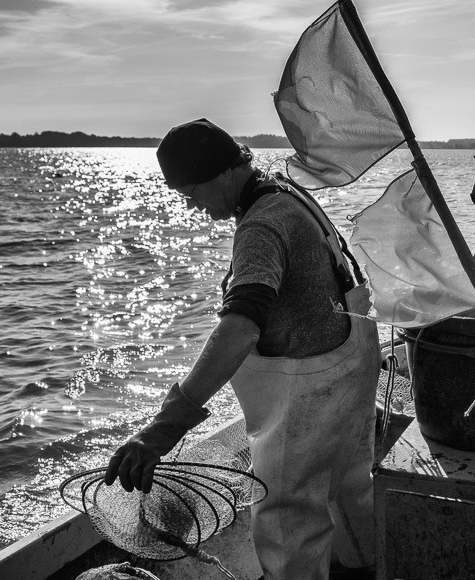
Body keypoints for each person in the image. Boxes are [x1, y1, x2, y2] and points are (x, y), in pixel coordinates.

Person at [104, 118, 382, 580]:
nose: (193, 206)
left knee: (287, 519)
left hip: (307, 396)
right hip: (348, 374)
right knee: (350, 494)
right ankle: (367, 570)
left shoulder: (261, 226)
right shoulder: (288, 195)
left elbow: (240, 328)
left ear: (220, 172)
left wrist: (164, 426)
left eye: (192, 192)